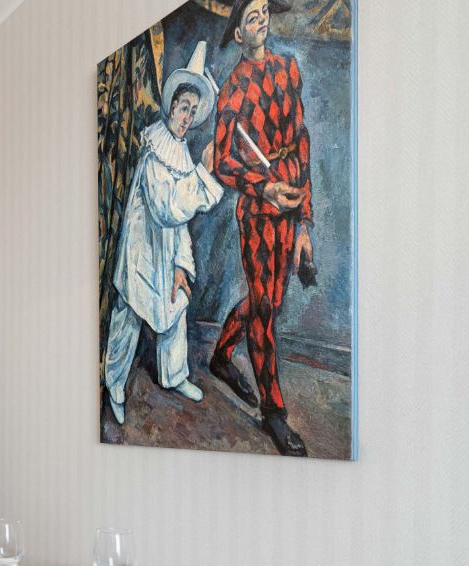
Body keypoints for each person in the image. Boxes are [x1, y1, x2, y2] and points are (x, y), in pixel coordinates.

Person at [210, 0, 315, 456]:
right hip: (257, 211)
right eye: (251, 17)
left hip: (289, 203)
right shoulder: (233, 88)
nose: (261, 20)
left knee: (264, 301)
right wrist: (263, 188)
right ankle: (274, 412)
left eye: (263, 12)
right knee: (266, 308)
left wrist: (305, 219)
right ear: (238, 34)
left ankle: (220, 357)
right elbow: (222, 162)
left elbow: (302, 141)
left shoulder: (288, 69)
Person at [104, 41, 224, 426]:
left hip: (166, 251)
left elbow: (180, 224)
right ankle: (114, 384)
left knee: (176, 304)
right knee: (130, 313)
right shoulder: (155, 148)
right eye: (183, 107)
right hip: (141, 251)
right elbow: (166, 208)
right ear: (171, 106)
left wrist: (182, 264)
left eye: (193, 110)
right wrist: (203, 175)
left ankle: (174, 375)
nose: (187, 116)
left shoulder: (181, 151)